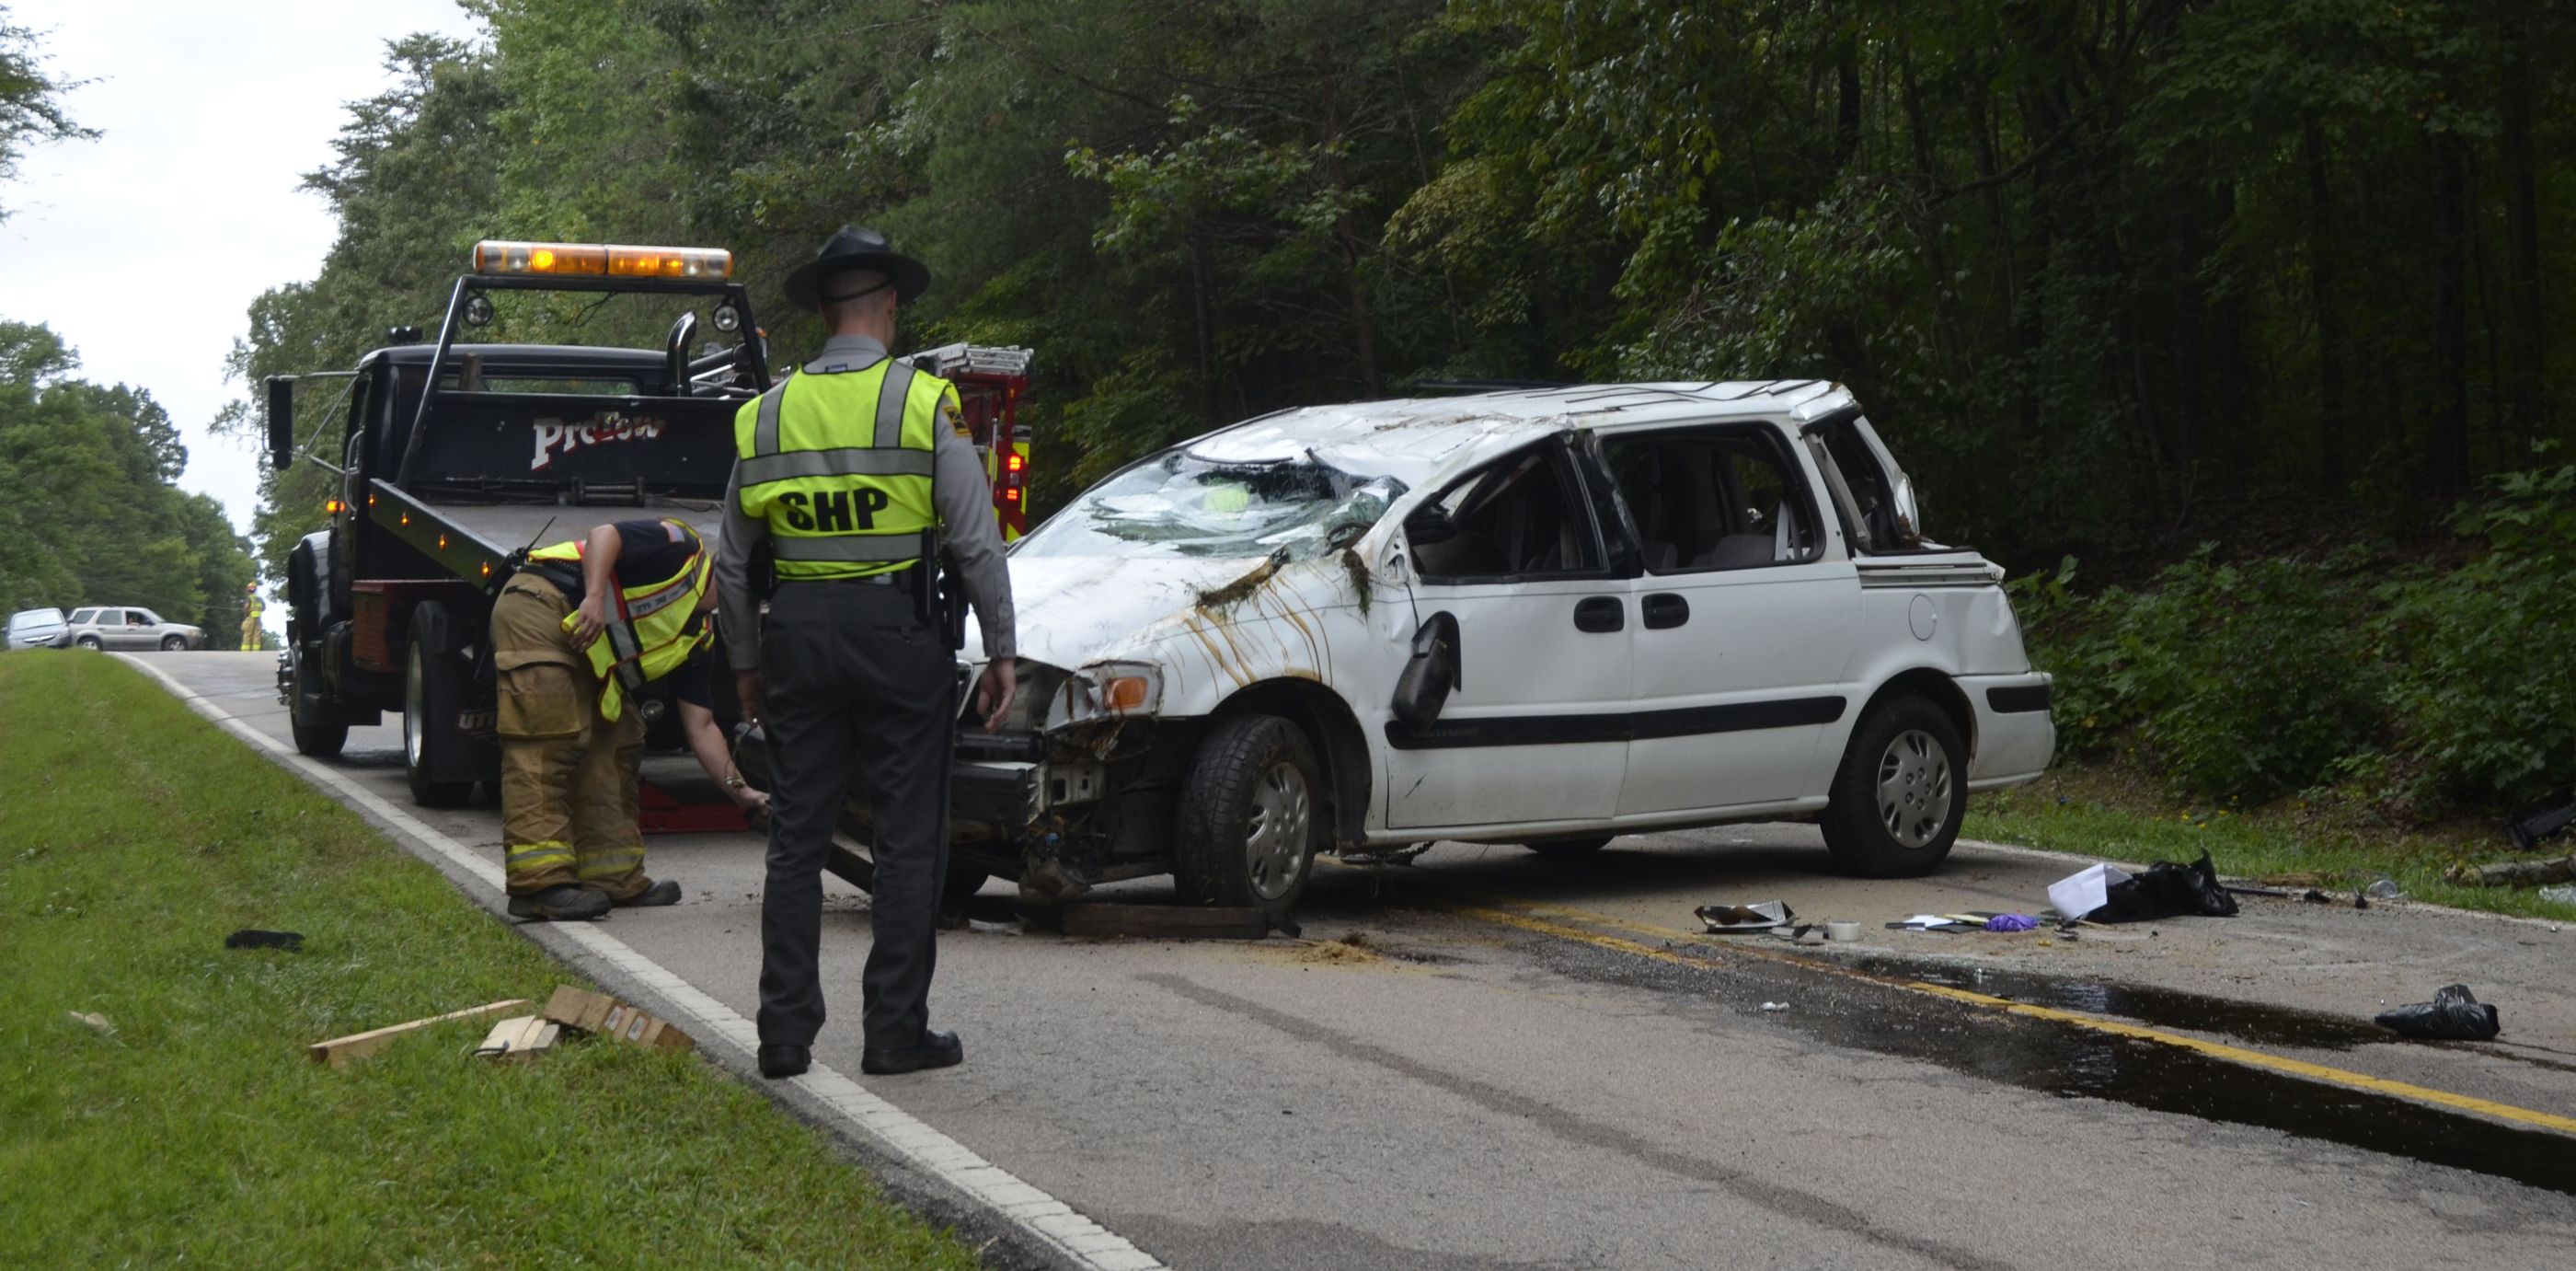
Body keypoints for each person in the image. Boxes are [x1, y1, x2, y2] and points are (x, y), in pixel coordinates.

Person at [717, 225, 1017, 1080]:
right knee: (908, 840)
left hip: (798, 640)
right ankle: (893, 1032)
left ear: (823, 312)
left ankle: (783, 1033)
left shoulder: (763, 414)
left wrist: (745, 664)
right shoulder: (925, 404)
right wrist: (1002, 649)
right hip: (900, 640)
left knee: (796, 839)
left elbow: (733, 562)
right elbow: (977, 541)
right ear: (888, 308)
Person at [493, 517, 767, 920]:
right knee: (547, 739)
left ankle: (613, 878)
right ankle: (539, 885)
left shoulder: (697, 637)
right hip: (542, 605)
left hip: (588, 652)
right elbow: (605, 534)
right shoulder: (681, 546)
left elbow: (702, 728)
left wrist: (741, 792)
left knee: (616, 739)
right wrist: (592, 596)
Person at [239, 583, 265, 652]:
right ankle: (256, 651)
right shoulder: (260, 598)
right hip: (258, 618)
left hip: (251, 617)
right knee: (257, 635)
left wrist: (246, 612)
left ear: (248, 589)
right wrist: (257, 610)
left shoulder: (249, 597)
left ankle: (245, 650)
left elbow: (246, 607)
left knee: (247, 634)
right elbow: (264, 608)